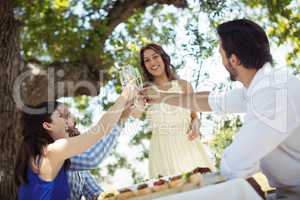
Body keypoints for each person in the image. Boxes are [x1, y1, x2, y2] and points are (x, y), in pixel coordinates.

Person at [142, 19, 300, 199]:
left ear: (233, 60)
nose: (221, 60)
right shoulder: (262, 86)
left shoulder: (272, 94)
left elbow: (234, 165)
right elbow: (213, 101)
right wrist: (162, 97)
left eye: (221, 54)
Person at [14, 83, 137, 200]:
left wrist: (122, 118)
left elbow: (96, 194)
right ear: (48, 125)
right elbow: (92, 157)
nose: (71, 121)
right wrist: (124, 97)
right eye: (64, 116)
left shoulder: (66, 159)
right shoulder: (50, 152)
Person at [130, 43, 213, 178]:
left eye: (155, 57)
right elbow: (136, 114)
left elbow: (195, 117)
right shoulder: (145, 90)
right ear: (144, 65)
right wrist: (134, 95)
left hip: (188, 144)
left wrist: (195, 128)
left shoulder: (184, 85)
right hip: (162, 150)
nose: (152, 62)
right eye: (147, 60)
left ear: (163, 58)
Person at [64, 105, 132, 200]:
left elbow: (95, 193)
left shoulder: (78, 161)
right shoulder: (54, 152)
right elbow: (91, 158)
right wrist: (121, 120)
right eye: (66, 116)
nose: (74, 121)